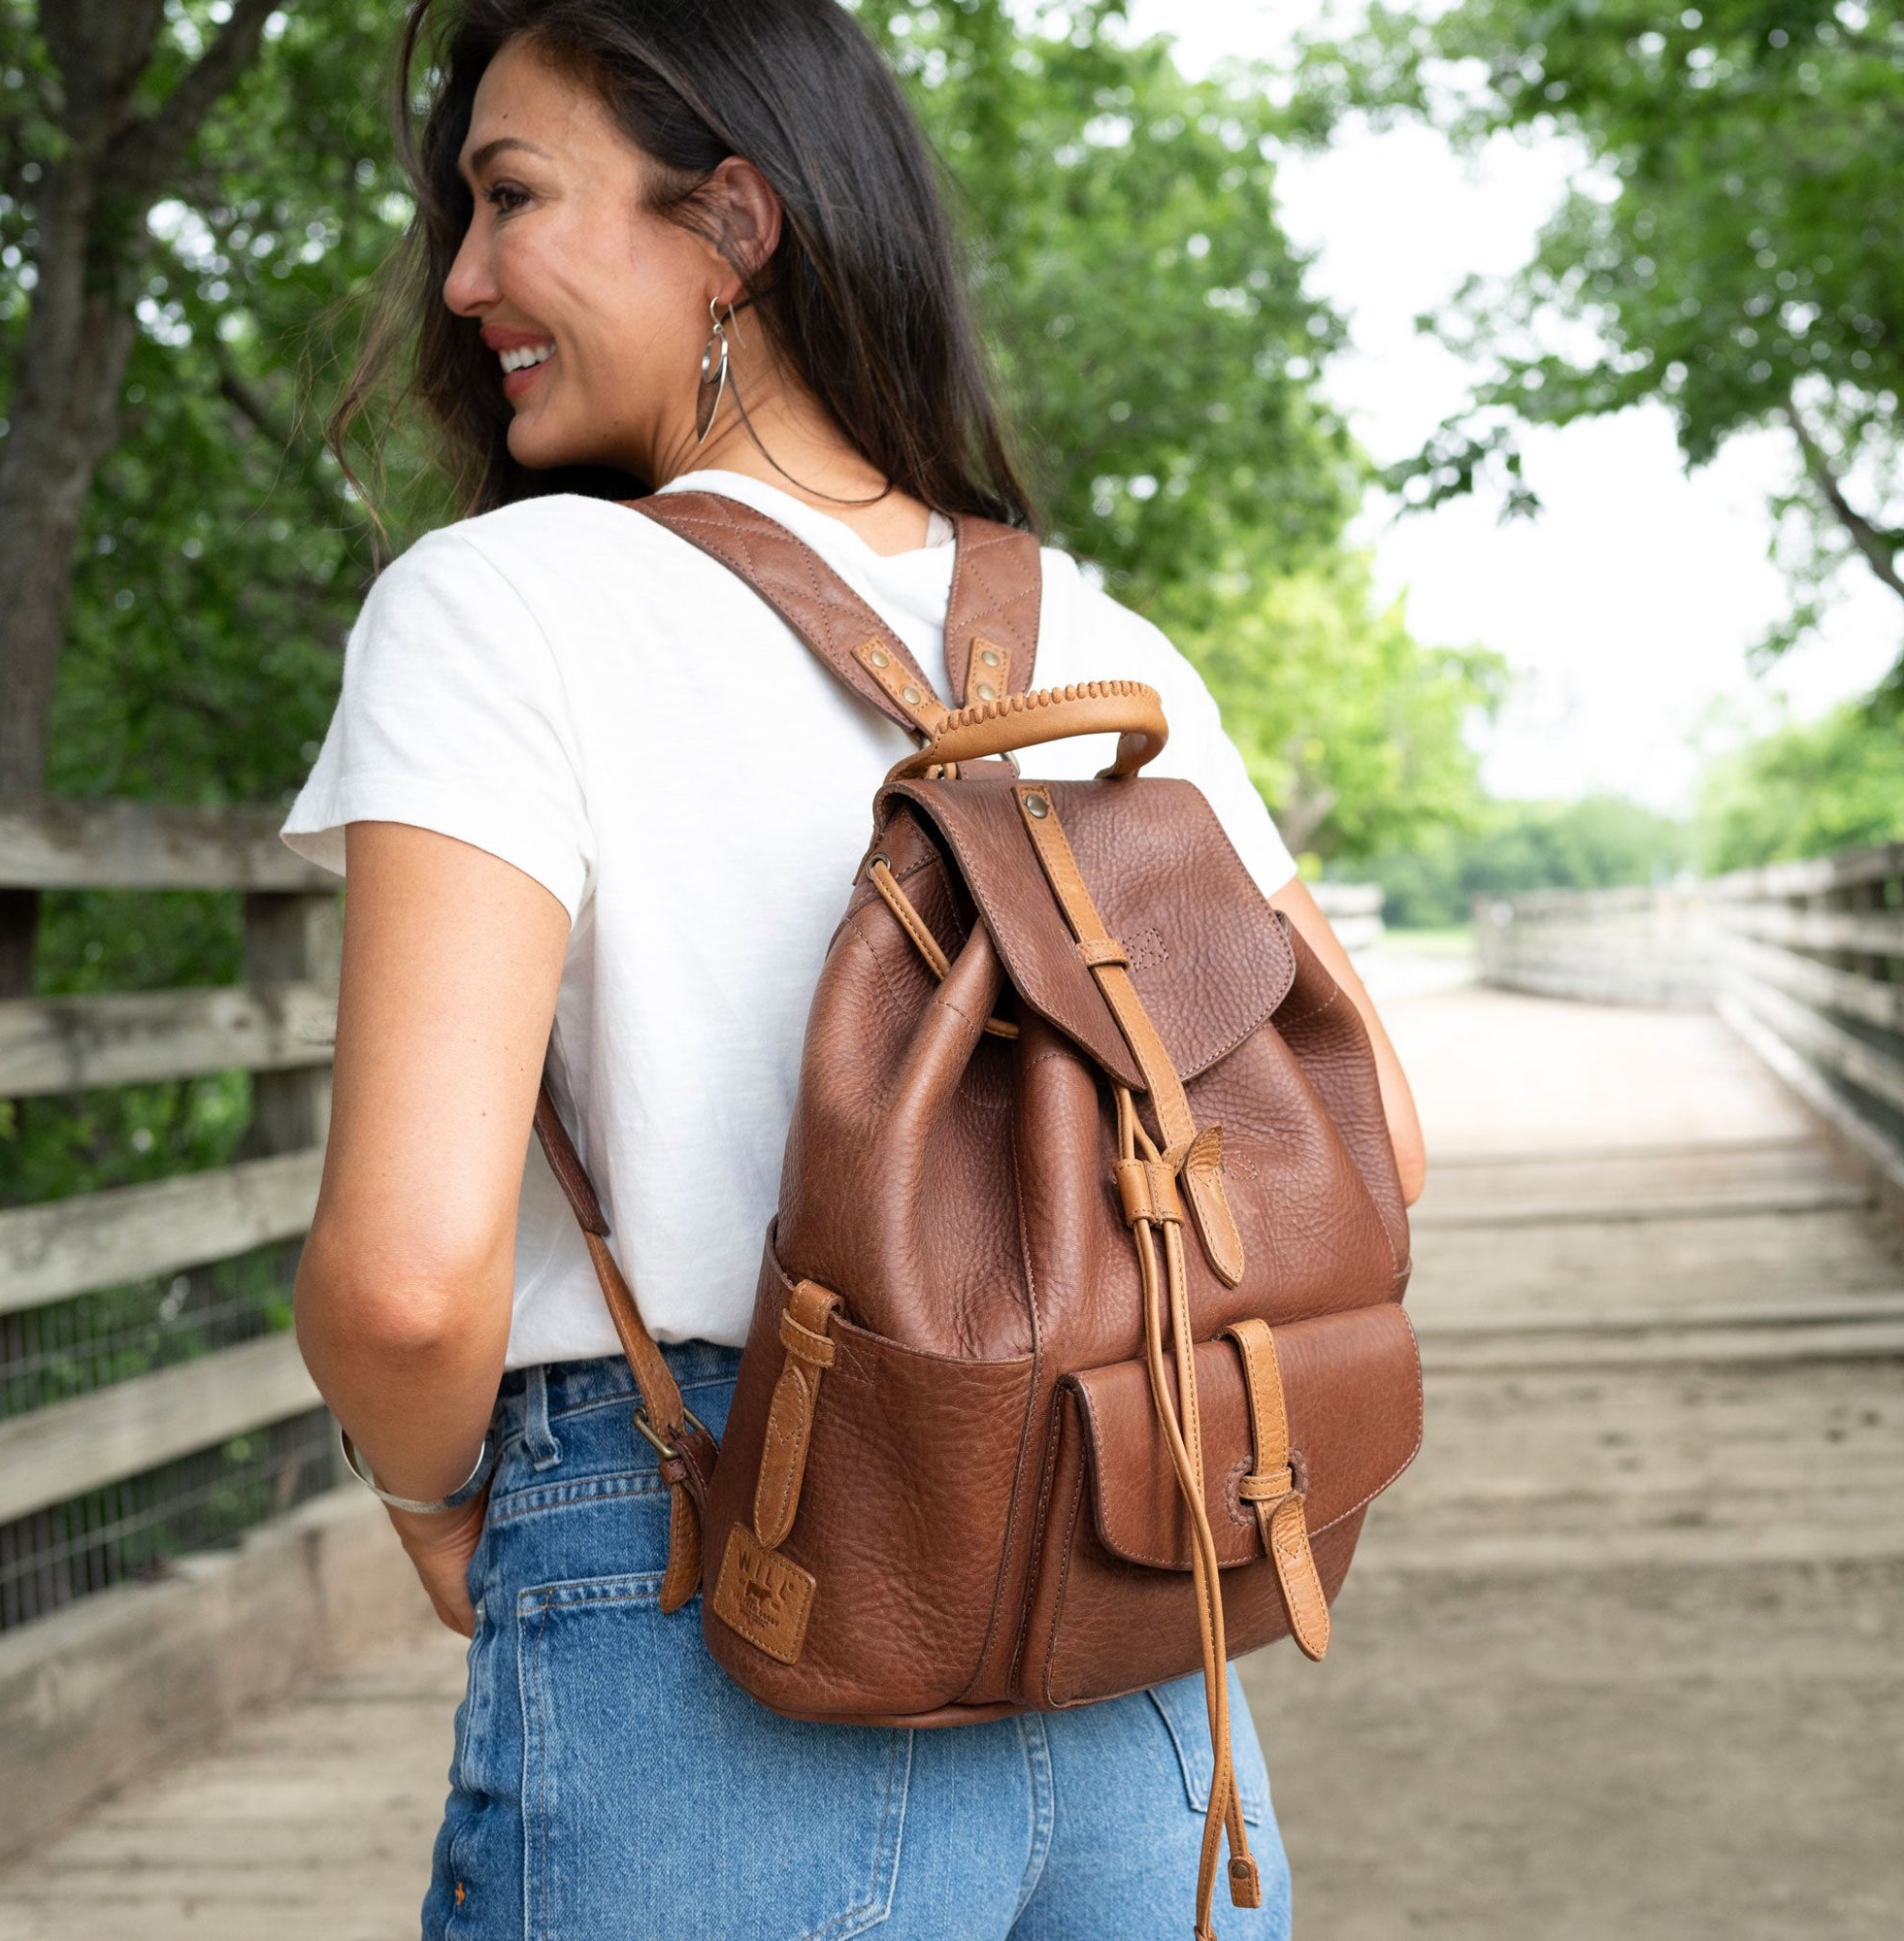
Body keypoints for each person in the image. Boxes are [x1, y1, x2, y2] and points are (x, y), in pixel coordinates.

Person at [282, 3, 1428, 1936]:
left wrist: (428, 1500)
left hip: (714, 1580)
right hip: (1138, 1644)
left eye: (507, 199)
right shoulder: (1092, 638)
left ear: (733, 220)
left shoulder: (496, 604)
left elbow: (405, 1281)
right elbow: (1377, 1127)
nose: (462, 280)